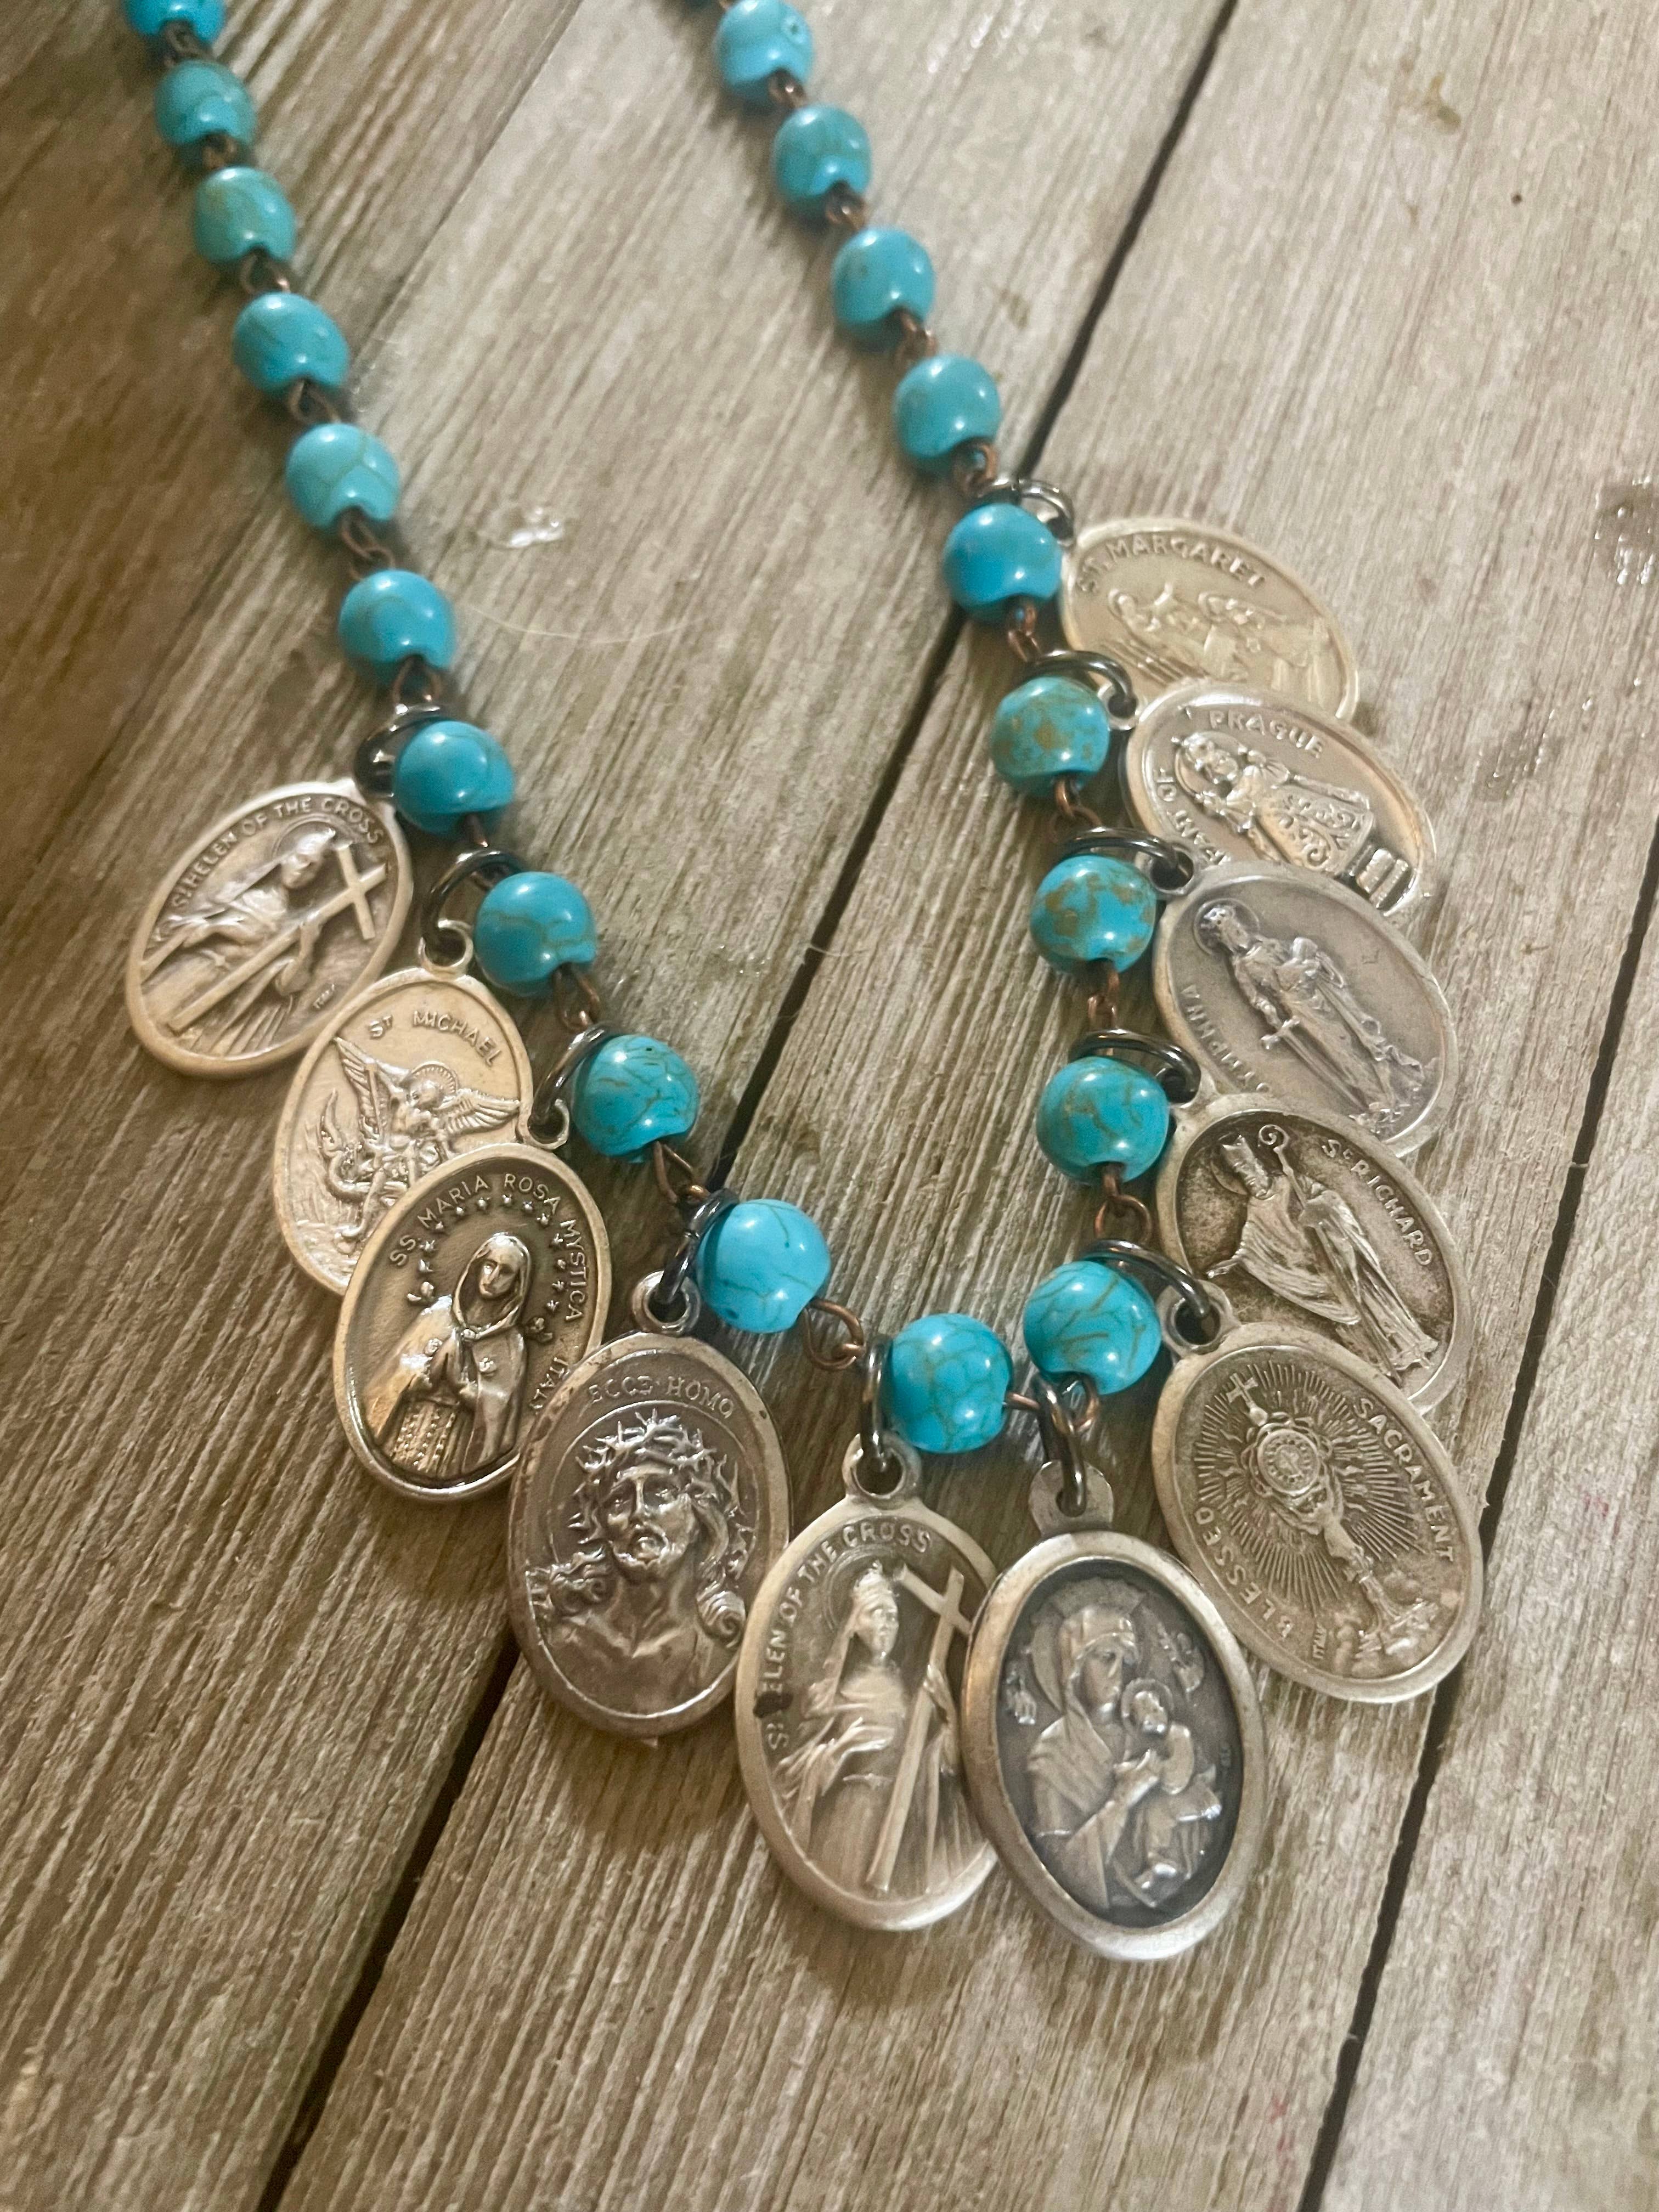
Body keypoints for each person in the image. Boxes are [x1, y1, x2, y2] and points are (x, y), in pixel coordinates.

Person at [776, 1563, 973, 1899]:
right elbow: (795, 1773)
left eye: (892, 1616)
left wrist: (950, 1716)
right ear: (855, 1623)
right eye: (876, 1613)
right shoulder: (830, 1696)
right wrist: (842, 1749)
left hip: (901, 1823)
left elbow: (939, 1765)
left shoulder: (907, 1691)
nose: (887, 1624)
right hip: (849, 1819)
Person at [532, 1410, 752, 1709]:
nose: (639, 1512)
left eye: (660, 1492)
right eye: (619, 1500)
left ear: (699, 1515)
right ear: (602, 1525)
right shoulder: (571, 1639)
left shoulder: (712, 1653)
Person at [1023, 1596, 1221, 1915]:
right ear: (1075, 1667)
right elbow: (1061, 1869)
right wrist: (1122, 1801)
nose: (1117, 1672)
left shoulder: (1143, 1736)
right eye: (1105, 1658)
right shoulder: (1051, 1756)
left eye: (1124, 1661)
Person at [1212, 1131, 1439, 1377]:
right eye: (1244, 1177)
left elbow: (1329, 1198)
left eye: (1251, 1172)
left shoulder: (1289, 1182)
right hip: (1316, 1274)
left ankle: (1412, 1347)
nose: (1251, 1181)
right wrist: (1234, 1261)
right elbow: (1251, 1244)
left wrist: (1320, 1209)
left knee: (1374, 1304)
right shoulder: (1256, 1209)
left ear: (1260, 1167)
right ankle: (1384, 1365)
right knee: (1348, 1317)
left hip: (1340, 1257)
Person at [1198, 898, 1429, 1135]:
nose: (1238, 931)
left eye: (1236, 925)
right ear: (1225, 939)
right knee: (1341, 1053)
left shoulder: (1267, 943)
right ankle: (1379, 1101)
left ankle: (1401, 1084)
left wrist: (1307, 963)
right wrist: (1269, 1011)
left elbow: (1298, 957)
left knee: (1359, 1036)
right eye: (1230, 931)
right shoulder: (1241, 966)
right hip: (1300, 1008)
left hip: (1320, 993)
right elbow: (1255, 997)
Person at [362, 1232, 531, 1483]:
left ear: (517, 1284)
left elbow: (501, 1421)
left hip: (455, 1444)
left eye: (505, 1272)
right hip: (405, 1430)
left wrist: (461, 1386)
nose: (493, 1277)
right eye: (490, 1265)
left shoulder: (511, 1344)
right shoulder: (438, 1315)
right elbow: (390, 1376)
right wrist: (416, 1377)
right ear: (477, 1266)